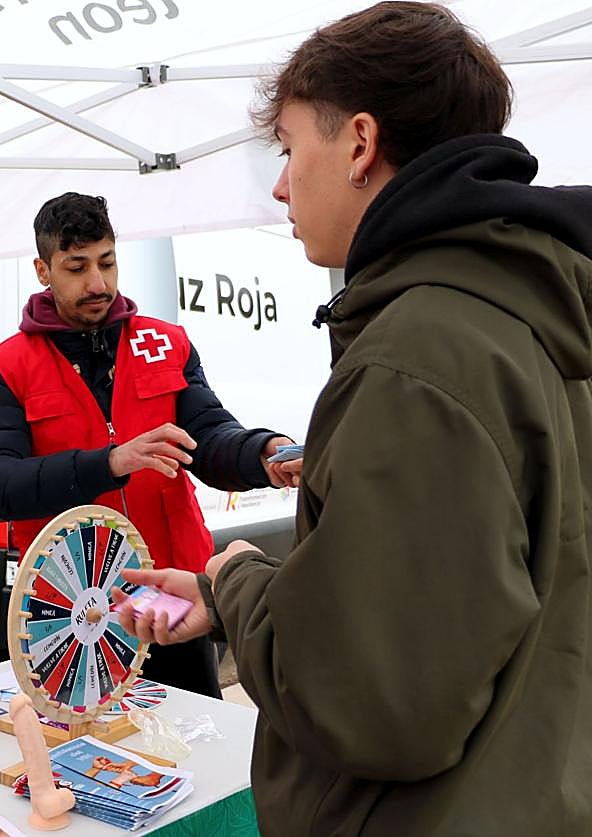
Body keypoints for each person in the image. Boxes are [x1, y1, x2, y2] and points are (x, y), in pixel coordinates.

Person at [112, 3, 592, 834]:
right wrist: (228, 600)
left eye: (292, 148)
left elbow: (372, 700)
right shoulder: (534, 315)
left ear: (361, 144)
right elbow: (459, 604)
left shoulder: (420, 355)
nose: (280, 182)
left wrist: (235, 579)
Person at [0, 192, 294, 698]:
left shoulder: (167, 343)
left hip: (172, 595)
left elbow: (207, 437)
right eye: (76, 267)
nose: (98, 284)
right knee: (85, 760)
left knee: (196, 749)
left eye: (107, 263)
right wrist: (108, 463)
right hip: (73, 612)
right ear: (42, 269)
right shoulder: (6, 366)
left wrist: (262, 453)